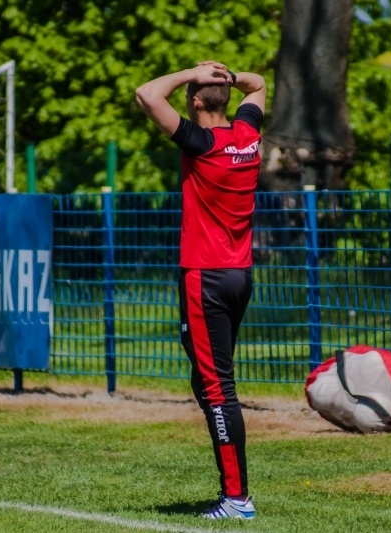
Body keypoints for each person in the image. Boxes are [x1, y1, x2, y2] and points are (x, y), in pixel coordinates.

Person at [136, 62, 266, 520]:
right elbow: (260, 85)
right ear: (224, 99)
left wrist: (194, 69)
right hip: (238, 277)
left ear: (194, 101)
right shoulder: (247, 136)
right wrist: (227, 79)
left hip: (205, 277)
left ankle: (237, 499)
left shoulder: (201, 143)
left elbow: (147, 94)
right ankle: (234, 492)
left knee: (217, 389)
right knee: (206, 377)